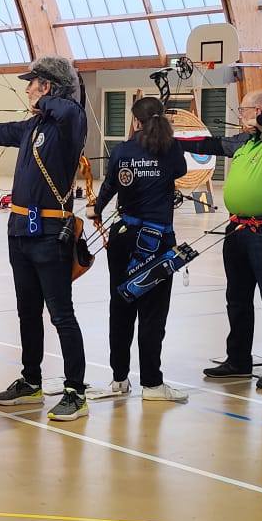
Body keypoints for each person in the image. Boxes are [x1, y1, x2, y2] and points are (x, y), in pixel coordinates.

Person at [0, 55, 93, 422]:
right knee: (27, 312)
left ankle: (75, 392)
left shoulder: (70, 122)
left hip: (51, 234)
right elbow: (3, 131)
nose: (27, 91)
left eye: (33, 84)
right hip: (20, 231)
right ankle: (31, 380)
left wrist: (47, 99)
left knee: (61, 315)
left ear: (48, 86)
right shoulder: (34, 125)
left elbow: (67, 109)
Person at [195, 89, 262, 390]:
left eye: (243, 110)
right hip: (237, 231)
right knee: (237, 300)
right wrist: (170, 141)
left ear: (258, 111)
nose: (239, 115)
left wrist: (260, 120)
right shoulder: (246, 142)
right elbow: (211, 144)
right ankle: (238, 360)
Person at [89, 94, 191, 403]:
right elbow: (180, 172)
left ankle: (119, 379)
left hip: (124, 237)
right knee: (152, 313)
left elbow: (110, 186)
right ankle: (152, 384)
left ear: (135, 121)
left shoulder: (123, 150)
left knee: (121, 307)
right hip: (157, 241)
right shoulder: (171, 149)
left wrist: (96, 209)